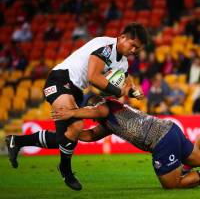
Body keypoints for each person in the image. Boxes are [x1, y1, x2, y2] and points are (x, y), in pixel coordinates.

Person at [6, 22, 149, 191]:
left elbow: (125, 82)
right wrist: (119, 92)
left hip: (76, 90)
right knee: (76, 126)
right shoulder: (106, 47)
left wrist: (133, 92)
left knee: (67, 136)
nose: (134, 51)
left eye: (137, 49)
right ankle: (65, 170)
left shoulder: (123, 63)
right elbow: (93, 77)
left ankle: (16, 141)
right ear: (122, 37)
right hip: (60, 79)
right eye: (133, 45)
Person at [6, 94, 200, 189]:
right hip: (170, 130)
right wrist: (68, 133)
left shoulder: (106, 107)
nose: (91, 115)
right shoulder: (107, 123)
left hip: (161, 140)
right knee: (197, 159)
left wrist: (71, 113)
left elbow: (96, 111)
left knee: (171, 185)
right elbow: (89, 136)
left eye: (91, 109)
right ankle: (188, 170)